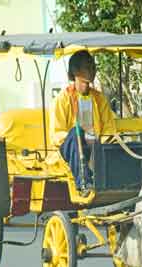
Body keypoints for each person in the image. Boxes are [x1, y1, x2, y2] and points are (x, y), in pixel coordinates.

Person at [50, 50, 117, 194]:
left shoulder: (99, 99)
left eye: (89, 82)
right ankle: (84, 183)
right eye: (83, 82)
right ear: (74, 76)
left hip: (95, 148)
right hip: (69, 149)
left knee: (115, 145)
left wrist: (103, 142)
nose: (86, 86)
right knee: (76, 132)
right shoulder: (63, 99)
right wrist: (80, 136)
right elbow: (56, 134)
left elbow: (108, 128)